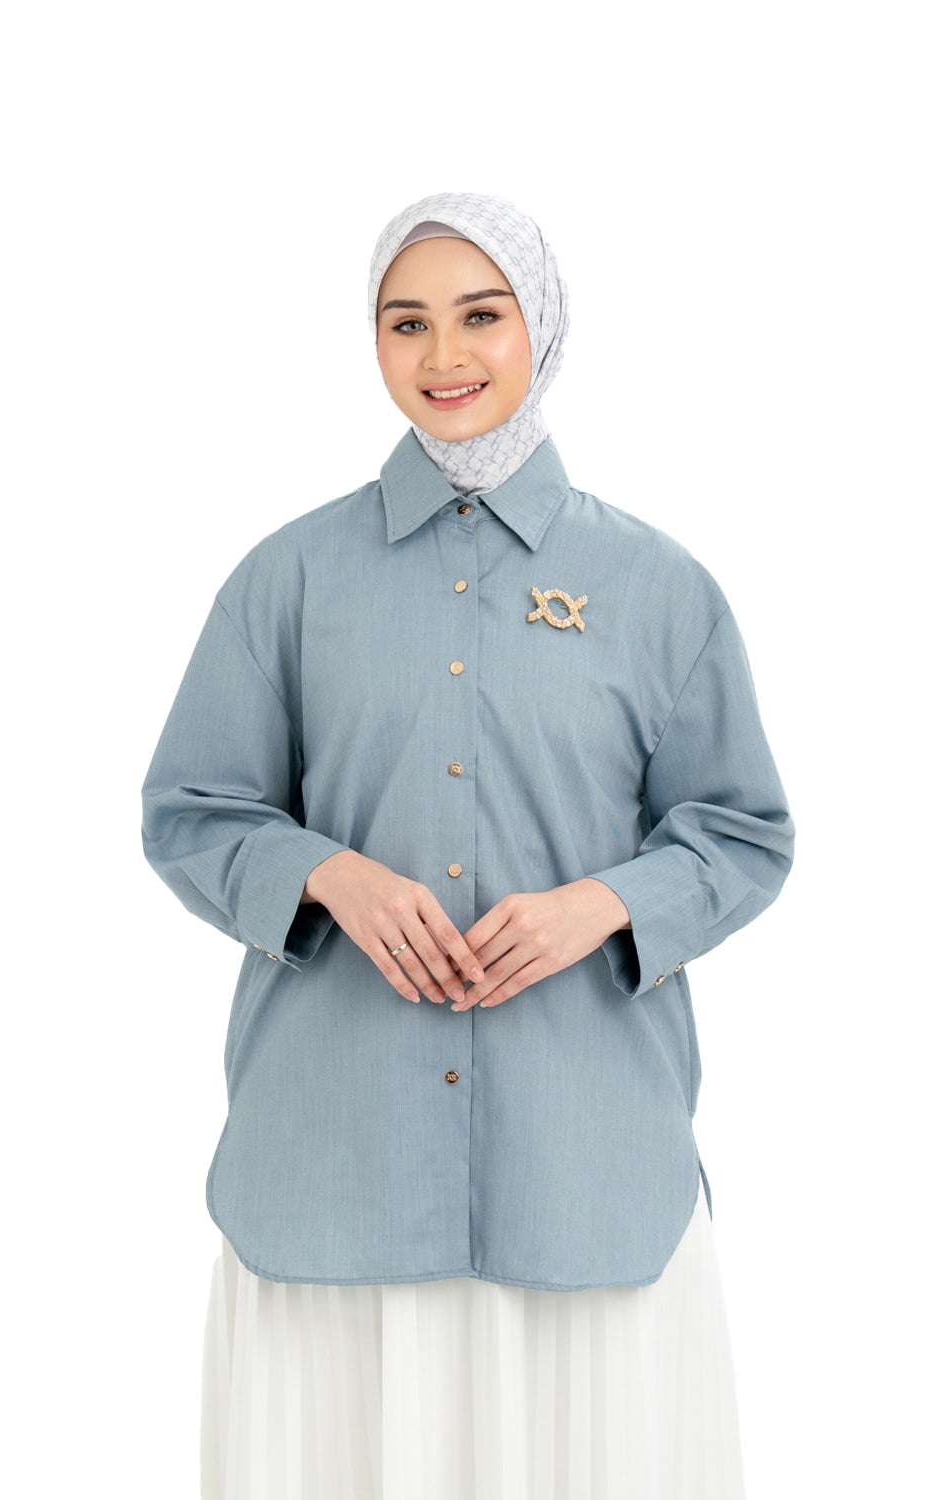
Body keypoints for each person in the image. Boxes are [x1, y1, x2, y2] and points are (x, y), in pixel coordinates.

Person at [142, 191, 794, 1499]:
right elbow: (192, 808)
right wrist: (326, 874)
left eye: (481, 315)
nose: (444, 356)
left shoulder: (658, 588)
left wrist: (603, 905)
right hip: (337, 1165)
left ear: (540, 325)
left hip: (584, 1172)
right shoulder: (287, 579)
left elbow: (742, 831)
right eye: (407, 323)